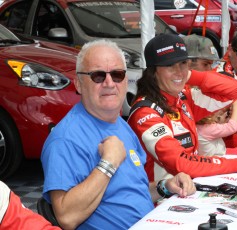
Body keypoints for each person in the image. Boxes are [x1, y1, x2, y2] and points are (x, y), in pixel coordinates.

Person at [41, 39, 196, 230]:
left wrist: (165, 186)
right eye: (98, 76)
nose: (109, 83)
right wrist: (108, 164)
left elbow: (129, 195)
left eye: (117, 75)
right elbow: (66, 216)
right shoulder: (66, 139)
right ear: (79, 84)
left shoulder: (122, 127)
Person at [127, 33, 237, 182]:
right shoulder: (145, 113)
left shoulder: (184, 97)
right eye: (170, 65)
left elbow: (235, 90)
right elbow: (181, 163)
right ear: (153, 72)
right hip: (160, 199)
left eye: (182, 63)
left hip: (188, 189)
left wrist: (190, 75)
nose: (179, 71)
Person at [182, 34, 237, 156]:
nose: (210, 69)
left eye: (211, 64)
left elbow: (236, 89)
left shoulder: (200, 87)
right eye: (205, 64)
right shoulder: (181, 93)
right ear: (187, 64)